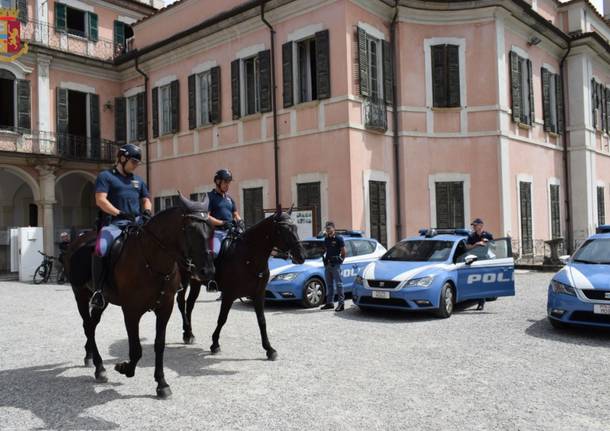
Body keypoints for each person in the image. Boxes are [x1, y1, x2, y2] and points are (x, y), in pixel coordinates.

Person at [90, 143, 152, 311]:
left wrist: (147, 211)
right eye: (133, 162)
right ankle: (98, 291)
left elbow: (146, 199)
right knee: (101, 248)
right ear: (122, 158)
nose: (136, 165)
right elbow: (100, 200)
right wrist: (119, 213)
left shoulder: (138, 181)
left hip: (137, 223)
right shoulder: (106, 176)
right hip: (114, 224)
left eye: (138, 163)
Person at [206, 168, 244, 295]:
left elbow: (235, 213)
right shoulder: (209, 197)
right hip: (216, 233)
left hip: (231, 231)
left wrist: (240, 221)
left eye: (229, 183)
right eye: (225, 183)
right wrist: (222, 223)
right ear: (217, 182)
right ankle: (211, 280)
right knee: (214, 252)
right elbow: (206, 216)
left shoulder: (229, 199)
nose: (227, 185)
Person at [466, 218, 494, 311]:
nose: (473, 227)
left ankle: (483, 300)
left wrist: (487, 244)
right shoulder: (471, 236)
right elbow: (468, 247)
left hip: (485, 259)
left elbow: (495, 246)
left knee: (484, 280)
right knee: (478, 281)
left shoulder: (488, 235)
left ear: (481, 225)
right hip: (474, 259)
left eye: (475, 225)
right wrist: (476, 244)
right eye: (473, 225)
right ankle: (479, 301)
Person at [320, 221, 347, 312]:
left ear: (333, 229)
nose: (327, 230)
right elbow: (326, 250)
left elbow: (343, 252)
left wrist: (340, 262)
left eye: (329, 228)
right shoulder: (326, 239)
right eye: (326, 228)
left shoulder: (339, 238)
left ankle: (341, 304)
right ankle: (329, 303)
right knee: (329, 285)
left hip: (336, 265)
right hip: (328, 264)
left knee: (339, 284)